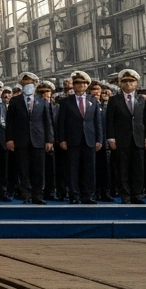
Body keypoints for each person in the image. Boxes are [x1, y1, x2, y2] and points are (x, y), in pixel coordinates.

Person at [57, 70, 104, 205]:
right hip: (72, 139)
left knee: (89, 168)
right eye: (77, 84)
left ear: (87, 85)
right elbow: (61, 122)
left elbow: (97, 122)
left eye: (83, 84)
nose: (80, 86)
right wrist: (62, 139)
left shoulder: (93, 101)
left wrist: (99, 139)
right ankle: (74, 195)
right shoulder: (66, 102)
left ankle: (88, 195)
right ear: (73, 85)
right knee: (73, 168)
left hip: (89, 139)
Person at [5, 72, 52, 204]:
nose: (28, 86)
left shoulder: (42, 101)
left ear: (35, 84)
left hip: (39, 139)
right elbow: (10, 122)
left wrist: (49, 140)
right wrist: (9, 139)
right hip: (21, 140)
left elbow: (47, 122)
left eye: (30, 83)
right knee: (23, 169)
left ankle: (37, 195)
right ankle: (26, 194)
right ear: (21, 84)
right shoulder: (15, 101)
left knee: (39, 169)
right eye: (25, 84)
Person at [106, 69, 146, 204]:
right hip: (121, 139)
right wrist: (111, 138)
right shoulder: (114, 100)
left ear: (136, 83)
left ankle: (137, 194)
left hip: (138, 138)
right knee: (122, 168)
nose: (128, 84)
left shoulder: (142, 100)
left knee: (138, 168)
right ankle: (125, 195)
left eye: (131, 81)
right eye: (125, 81)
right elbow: (109, 121)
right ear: (120, 84)